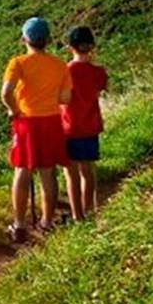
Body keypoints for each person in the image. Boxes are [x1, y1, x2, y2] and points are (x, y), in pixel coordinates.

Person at [1, 16, 71, 242]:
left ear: (25, 39)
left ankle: (19, 225)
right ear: (48, 40)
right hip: (51, 121)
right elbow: (65, 98)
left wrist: (14, 109)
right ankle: (46, 222)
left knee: (22, 170)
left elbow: (5, 93)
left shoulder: (18, 63)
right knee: (47, 172)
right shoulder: (60, 65)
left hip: (26, 122)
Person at [62, 24, 108, 219]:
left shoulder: (64, 72)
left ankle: (76, 215)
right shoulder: (99, 72)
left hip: (68, 128)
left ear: (69, 47)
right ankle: (88, 209)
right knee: (86, 171)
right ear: (92, 47)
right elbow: (101, 88)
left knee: (70, 174)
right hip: (90, 127)